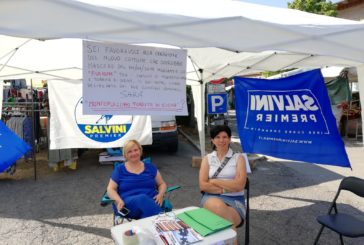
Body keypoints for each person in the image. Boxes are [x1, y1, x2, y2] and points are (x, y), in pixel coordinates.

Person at [199, 125, 247, 234]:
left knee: (220, 217)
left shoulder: (239, 158)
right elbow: (203, 186)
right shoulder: (207, 159)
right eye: (217, 137)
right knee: (217, 206)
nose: (221, 140)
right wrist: (228, 188)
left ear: (229, 139)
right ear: (212, 140)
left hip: (235, 201)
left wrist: (215, 181)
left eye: (225, 137)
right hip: (210, 198)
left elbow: (240, 186)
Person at [107, 139, 167, 221]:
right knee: (142, 198)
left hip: (151, 203)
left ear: (140, 151)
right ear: (125, 155)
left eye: (136, 150)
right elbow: (110, 189)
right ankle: (165, 222)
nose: (134, 153)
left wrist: (160, 194)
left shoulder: (150, 167)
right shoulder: (120, 169)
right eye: (130, 151)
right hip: (128, 205)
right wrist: (118, 200)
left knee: (147, 213)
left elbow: (161, 184)